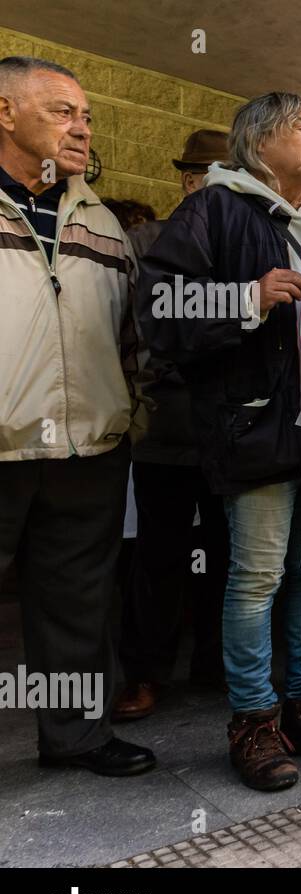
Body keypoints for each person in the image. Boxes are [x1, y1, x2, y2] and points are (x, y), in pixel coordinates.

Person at [139, 92, 301, 791]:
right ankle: (254, 719)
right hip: (257, 424)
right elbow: (160, 311)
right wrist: (245, 299)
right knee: (257, 579)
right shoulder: (215, 210)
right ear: (259, 144)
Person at [0, 56, 155, 777]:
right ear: (5, 113)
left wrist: (130, 417)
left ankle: (77, 737)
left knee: (77, 605)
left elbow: (130, 338)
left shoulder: (101, 221)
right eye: (63, 111)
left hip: (89, 450)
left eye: (87, 115)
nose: (82, 127)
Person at [115, 128, 231, 723]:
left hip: (231, 431)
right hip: (165, 426)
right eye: (208, 176)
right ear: (188, 181)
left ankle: (213, 662)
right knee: (158, 557)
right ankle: (146, 672)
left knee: (224, 553)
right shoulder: (145, 240)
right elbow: (139, 329)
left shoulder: (243, 243)